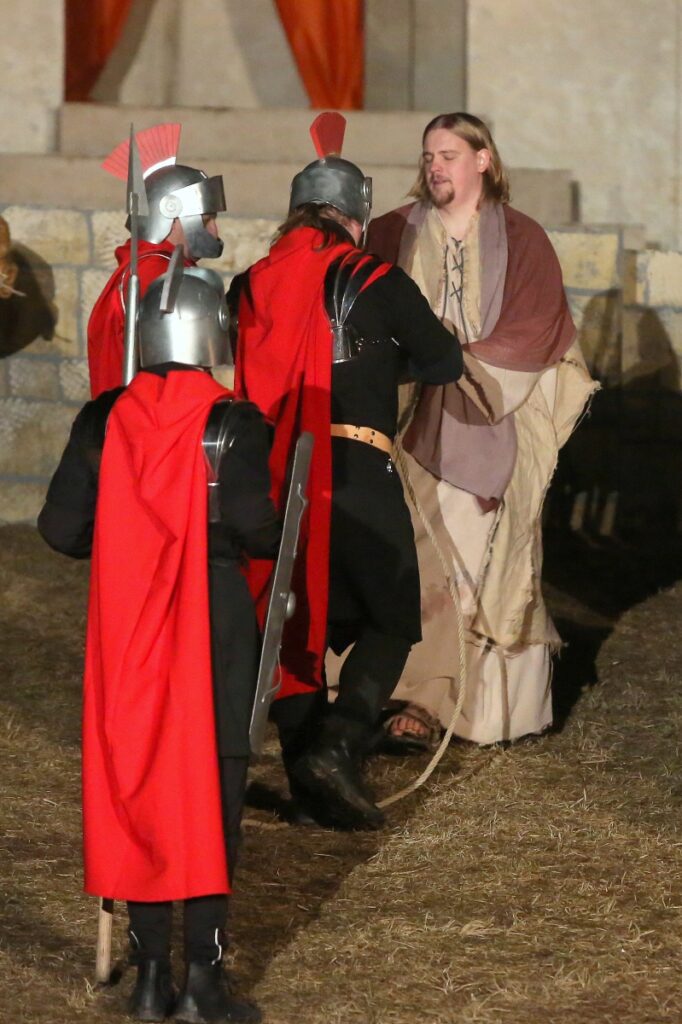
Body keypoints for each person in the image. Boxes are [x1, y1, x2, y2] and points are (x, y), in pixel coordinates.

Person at [38, 262, 280, 1024]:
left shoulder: (102, 419)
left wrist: (128, 539)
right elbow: (260, 529)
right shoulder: (234, 423)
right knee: (214, 796)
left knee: (138, 788)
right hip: (214, 623)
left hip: (127, 624)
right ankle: (202, 984)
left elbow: (60, 530)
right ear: (213, 336)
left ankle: (150, 980)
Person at [230, 113, 463, 830]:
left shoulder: (249, 283)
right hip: (355, 469)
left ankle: (311, 784)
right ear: (354, 218)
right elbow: (443, 360)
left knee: (295, 625)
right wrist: (382, 362)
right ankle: (335, 746)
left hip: (271, 478)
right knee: (392, 617)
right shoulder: (374, 278)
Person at [367, 112, 598, 749]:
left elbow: (535, 327)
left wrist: (456, 358)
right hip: (410, 415)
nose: (435, 166)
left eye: (448, 155)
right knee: (414, 553)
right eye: (429, 156)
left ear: (483, 161)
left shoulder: (524, 238)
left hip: (495, 414)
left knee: (481, 561)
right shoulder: (391, 231)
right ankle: (403, 692)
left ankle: (469, 707)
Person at [88, 122, 226, 398]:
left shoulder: (146, 266)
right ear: (171, 216)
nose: (215, 231)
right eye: (206, 220)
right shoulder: (157, 273)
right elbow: (178, 379)